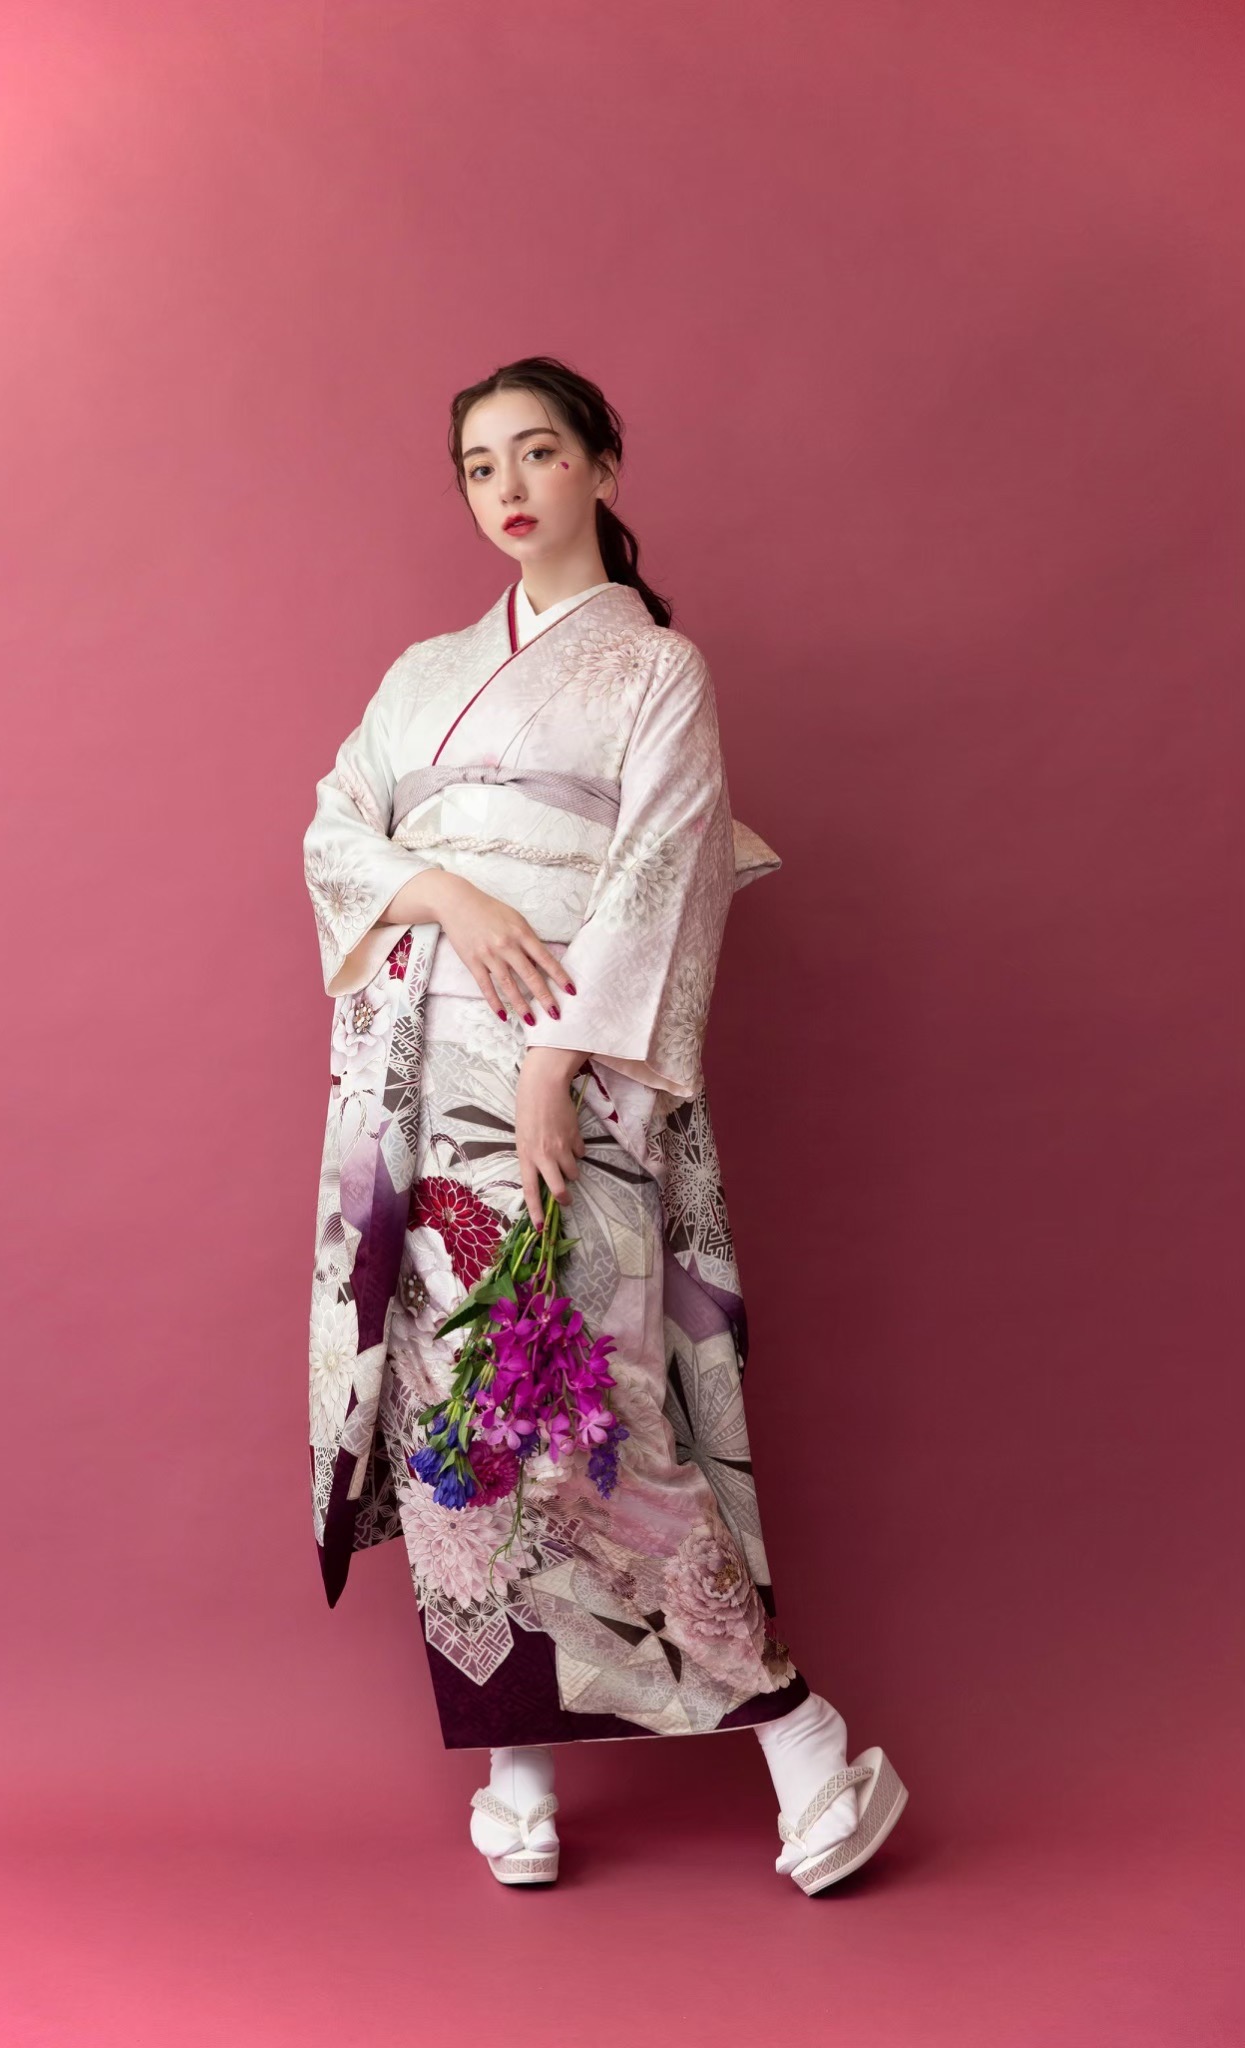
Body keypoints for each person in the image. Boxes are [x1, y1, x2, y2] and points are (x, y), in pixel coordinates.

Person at [302, 354, 907, 1894]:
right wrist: (446, 895)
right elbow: (336, 829)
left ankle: (802, 1735)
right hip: (422, 1069)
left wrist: (555, 1064)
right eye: (478, 466)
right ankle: (515, 1767)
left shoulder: (656, 670)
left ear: (601, 466)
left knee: (595, 1399)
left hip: (575, 1061)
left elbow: (660, 878)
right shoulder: (420, 674)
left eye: (537, 452)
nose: (506, 488)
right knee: (460, 1407)